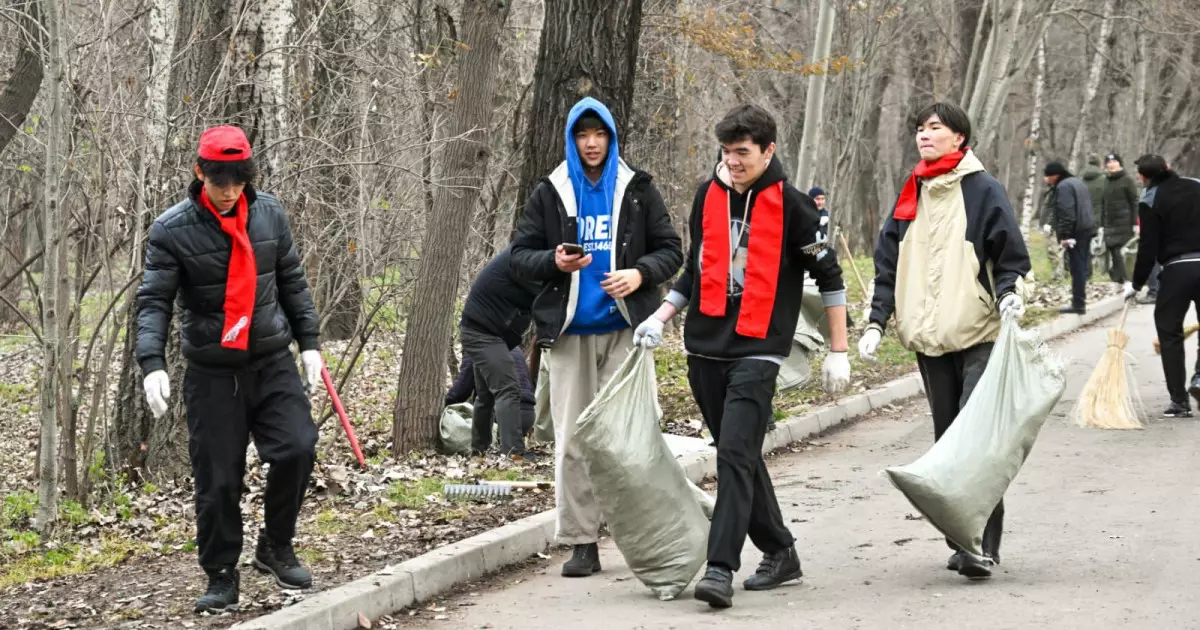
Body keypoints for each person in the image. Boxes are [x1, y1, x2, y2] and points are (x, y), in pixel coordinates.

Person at [634, 104, 851, 609]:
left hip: (761, 348)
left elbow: (832, 279)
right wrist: (660, 317)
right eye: (727, 152)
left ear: (768, 150)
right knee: (742, 453)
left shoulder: (796, 208)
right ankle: (780, 550)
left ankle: (720, 566)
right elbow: (697, 268)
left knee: (732, 452)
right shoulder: (706, 196)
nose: (732, 161)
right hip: (706, 345)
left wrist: (837, 351)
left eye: (743, 153)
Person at [136, 126, 321, 613]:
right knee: (218, 478)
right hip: (213, 372)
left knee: (298, 448)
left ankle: (275, 546)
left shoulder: (270, 214)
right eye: (221, 181)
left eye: (239, 181)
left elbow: (292, 282)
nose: (231, 191)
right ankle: (221, 572)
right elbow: (153, 300)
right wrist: (151, 362)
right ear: (201, 173)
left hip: (271, 359)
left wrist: (311, 345)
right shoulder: (171, 229)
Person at [509, 97, 683, 578]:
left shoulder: (637, 189)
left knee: (631, 436)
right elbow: (520, 255)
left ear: (611, 137)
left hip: (626, 329)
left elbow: (672, 250)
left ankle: (647, 538)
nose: (591, 143)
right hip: (569, 334)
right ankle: (582, 542)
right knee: (574, 441)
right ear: (572, 138)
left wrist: (639, 273)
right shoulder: (551, 191)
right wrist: (555, 263)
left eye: (599, 134)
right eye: (583, 135)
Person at [860, 102, 1032, 580]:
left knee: (974, 444)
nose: (923, 135)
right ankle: (961, 541)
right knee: (946, 442)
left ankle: (980, 546)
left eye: (934, 128)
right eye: (919, 129)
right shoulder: (911, 192)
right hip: (928, 339)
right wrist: (876, 321)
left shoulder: (982, 190)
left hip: (976, 330)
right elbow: (887, 264)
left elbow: (1010, 254)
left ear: (960, 137)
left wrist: (1009, 295)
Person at [1125, 154, 1200, 418]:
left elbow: (1148, 247)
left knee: (1170, 334)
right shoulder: (1197, 185)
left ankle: (1179, 402)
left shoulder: (1150, 199)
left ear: (1144, 178)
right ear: (1168, 168)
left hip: (1177, 269)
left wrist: (1136, 283)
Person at [449, 247, 540, 457]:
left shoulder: (524, 261)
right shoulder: (521, 261)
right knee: (507, 388)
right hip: (481, 331)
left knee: (485, 395)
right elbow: (544, 297)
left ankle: (479, 449)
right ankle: (514, 453)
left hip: (489, 333)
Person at [444, 345, 537, 449]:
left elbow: (462, 389)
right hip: (528, 414)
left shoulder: (476, 346)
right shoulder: (513, 345)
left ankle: (483, 448)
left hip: (503, 417)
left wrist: (444, 406)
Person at [1043, 161, 1098, 314]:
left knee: (1077, 268)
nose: (1046, 179)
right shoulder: (1077, 182)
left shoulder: (1063, 187)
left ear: (1055, 176)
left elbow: (1067, 212)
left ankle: (1078, 303)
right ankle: (1079, 301)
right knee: (1081, 265)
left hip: (1076, 232)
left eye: (1048, 176)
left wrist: (1066, 235)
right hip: (1086, 228)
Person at [1099, 153, 1140, 284]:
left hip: (1125, 223)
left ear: (1120, 164)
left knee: (1121, 252)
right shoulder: (1105, 181)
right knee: (1112, 252)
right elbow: (1103, 204)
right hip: (1109, 224)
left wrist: (1135, 223)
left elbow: (1135, 202)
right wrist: (1101, 225)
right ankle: (1119, 280)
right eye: (1109, 162)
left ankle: (1127, 280)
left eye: (1114, 161)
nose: (1111, 164)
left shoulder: (1127, 180)